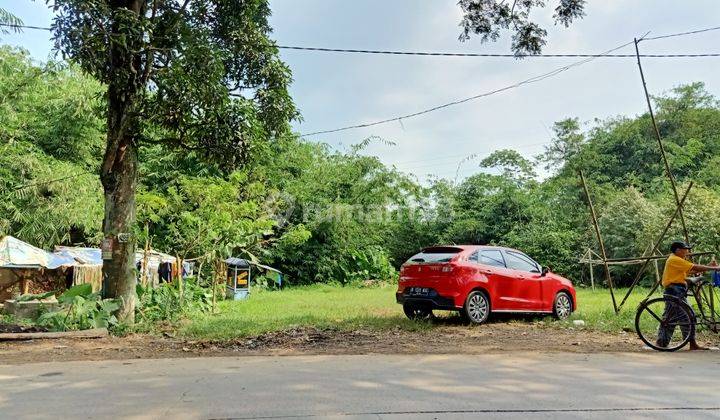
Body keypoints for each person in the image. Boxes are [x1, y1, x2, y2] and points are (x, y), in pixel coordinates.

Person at [658, 240, 719, 350]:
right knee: (680, 316)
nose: (687, 251)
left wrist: (708, 266)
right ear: (677, 250)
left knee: (679, 316)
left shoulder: (677, 259)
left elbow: (688, 271)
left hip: (677, 289)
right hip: (674, 290)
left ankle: (665, 343)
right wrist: (714, 268)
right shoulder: (674, 259)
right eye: (685, 249)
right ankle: (663, 343)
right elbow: (694, 267)